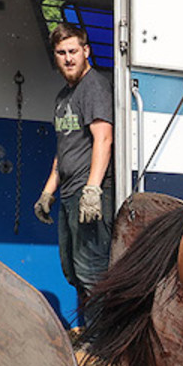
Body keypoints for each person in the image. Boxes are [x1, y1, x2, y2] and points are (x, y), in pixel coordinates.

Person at [34, 23, 115, 325]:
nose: (68, 58)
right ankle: (92, 335)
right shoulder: (63, 97)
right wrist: (47, 191)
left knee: (93, 273)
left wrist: (93, 190)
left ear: (86, 52)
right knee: (73, 271)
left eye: (73, 51)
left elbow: (104, 138)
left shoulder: (93, 86)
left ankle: (101, 345)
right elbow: (63, 149)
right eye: (61, 53)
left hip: (88, 193)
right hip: (69, 194)